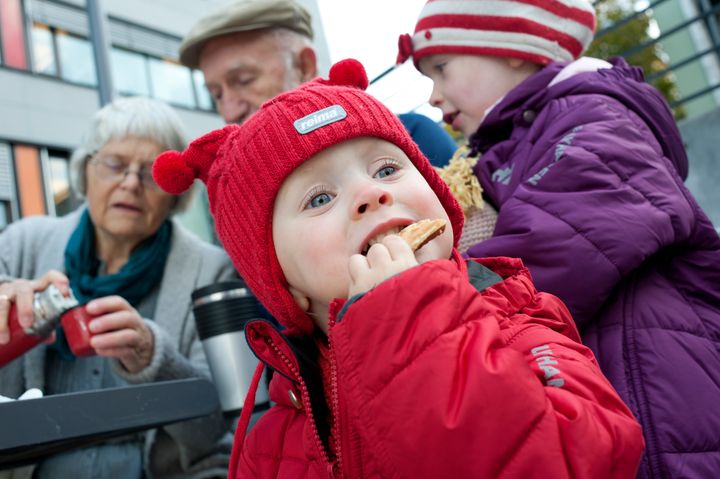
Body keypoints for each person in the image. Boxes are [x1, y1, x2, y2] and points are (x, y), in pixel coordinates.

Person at [152, 58, 644, 478]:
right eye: (320, 197)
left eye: (386, 169)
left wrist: (410, 317)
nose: (371, 194)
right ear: (285, 285)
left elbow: (578, 459)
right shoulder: (275, 433)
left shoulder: (521, 322)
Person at [397, 1, 720, 477]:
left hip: (661, 389)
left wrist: (442, 292)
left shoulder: (593, 114)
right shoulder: (514, 142)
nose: (434, 96)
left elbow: (561, 241)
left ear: (513, 49)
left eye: (441, 69)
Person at [0, 97, 236, 478]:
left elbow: (216, 429)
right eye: (115, 165)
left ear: (175, 190)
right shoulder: (21, 245)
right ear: (85, 171)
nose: (130, 183)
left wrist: (153, 359)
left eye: (151, 173)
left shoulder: (210, 270)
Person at [178, 0, 457, 166]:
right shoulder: (239, 194)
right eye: (215, 95)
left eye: (243, 80)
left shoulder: (410, 139)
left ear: (304, 66)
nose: (229, 112)